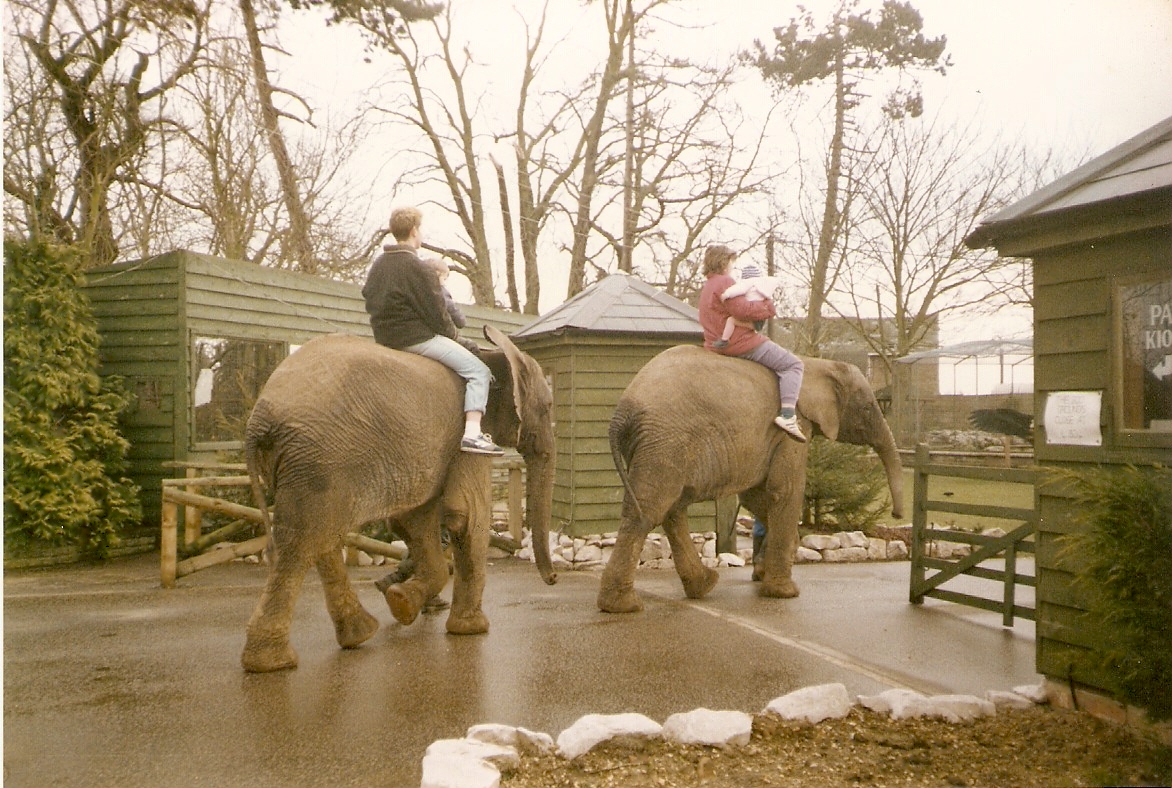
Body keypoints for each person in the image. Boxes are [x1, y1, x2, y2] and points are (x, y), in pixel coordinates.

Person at [362, 206, 503, 455]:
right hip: (416, 339)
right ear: (415, 230)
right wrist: (460, 340)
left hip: (384, 337)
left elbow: (368, 296)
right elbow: (438, 316)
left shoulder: (378, 265)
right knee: (478, 371)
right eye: (421, 228)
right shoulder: (419, 268)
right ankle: (472, 435)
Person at [698, 244, 806, 442]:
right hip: (740, 342)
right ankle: (788, 416)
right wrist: (767, 306)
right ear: (724, 261)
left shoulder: (708, 285)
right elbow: (743, 311)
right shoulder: (725, 281)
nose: (732, 266)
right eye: (731, 261)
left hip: (715, 342)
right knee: (793, 365)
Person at [712, 262, 785, 349]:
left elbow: (736, 290)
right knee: (744, 324)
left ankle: (724, 340)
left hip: (752, 318)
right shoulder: (763, 286)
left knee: (731, 320)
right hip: (760, 320)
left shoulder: (748, 283)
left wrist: (725, 295)